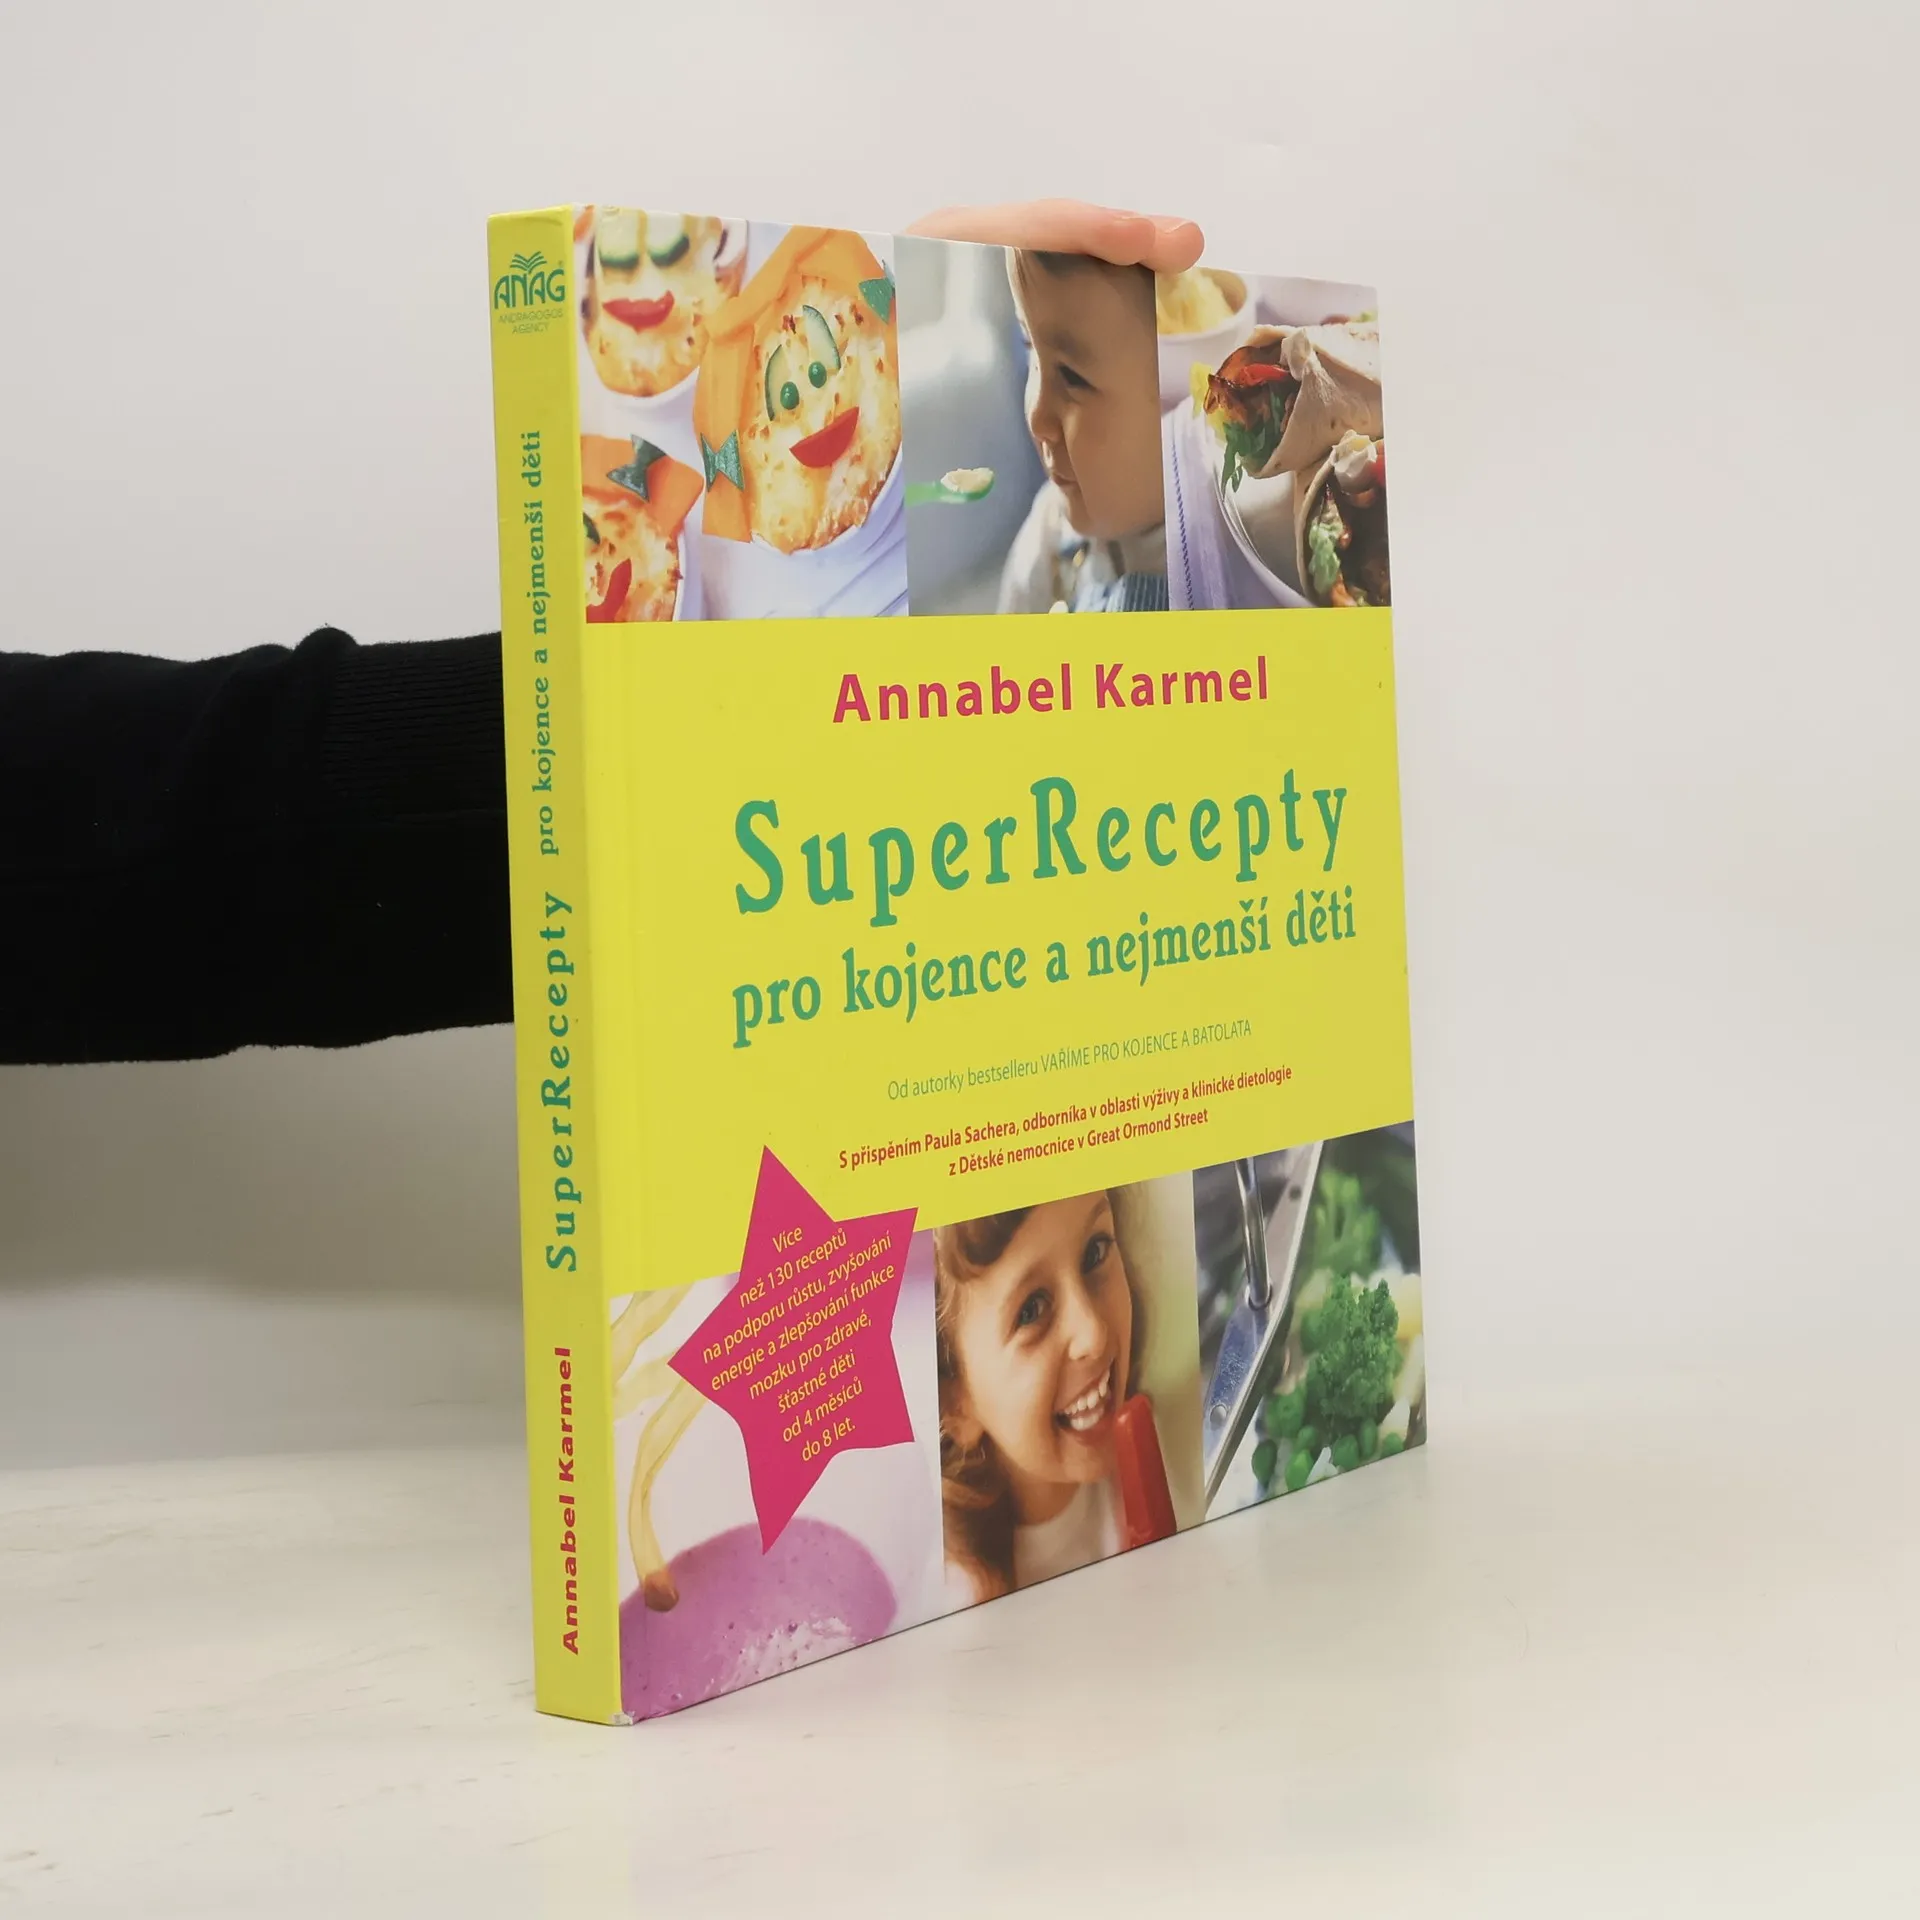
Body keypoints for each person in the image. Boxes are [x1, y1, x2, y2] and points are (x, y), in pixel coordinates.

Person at [0, 204, 1202, 1067]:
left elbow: (195, 813)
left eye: (1076, 378)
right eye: (1037, 367)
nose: (1039, 417)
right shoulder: (1033, 546)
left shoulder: (1208, 548)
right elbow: (194, 843)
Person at [934, 1190, 1144, 1602]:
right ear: (954, 1404)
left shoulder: (1176, 1437)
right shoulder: (960, 1606)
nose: (1093, 1333)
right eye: (1031, 1310)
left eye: (1094, 1253)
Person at [997, 248, 1169, 614]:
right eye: (1029, 345)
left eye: (1072, 376)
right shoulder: (1047, 540)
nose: (1036, 418)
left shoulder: (1246, 558)